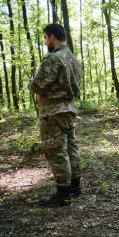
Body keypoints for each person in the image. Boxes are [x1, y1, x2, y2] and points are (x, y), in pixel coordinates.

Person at [29, 23, 82, 206]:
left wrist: (31, 82)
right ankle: (75, 188)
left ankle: (63, 195)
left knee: (56, 152)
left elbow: (37, 86)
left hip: (53, 111)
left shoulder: (53, 59)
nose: (45, 42)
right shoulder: (73, 59)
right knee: (71, 149)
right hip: (69, 109)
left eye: (45, 38)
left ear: (52, 37)